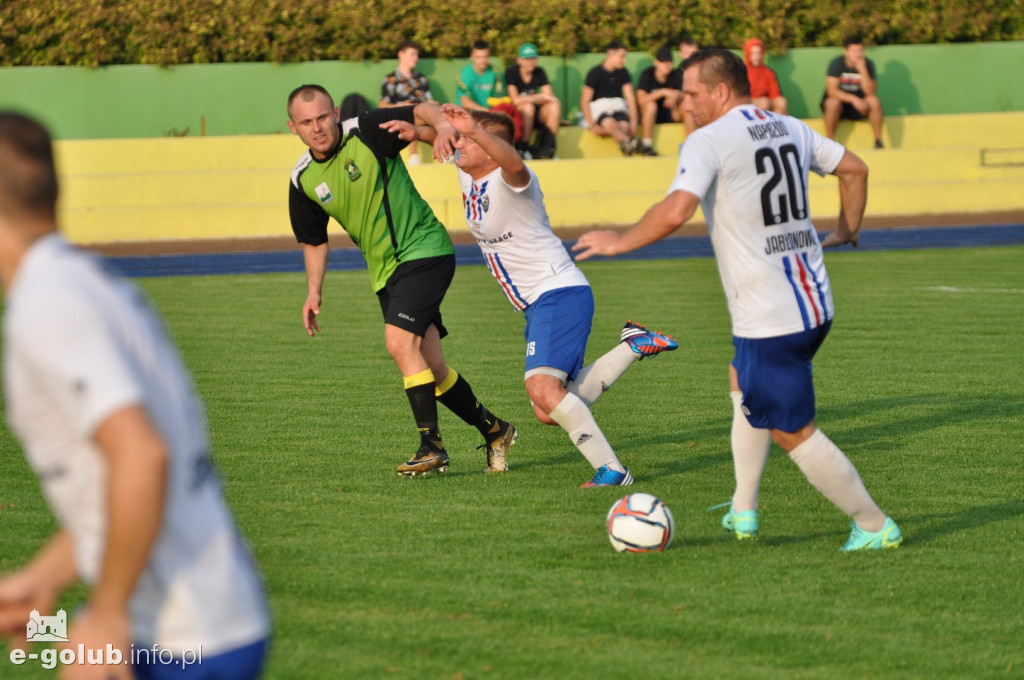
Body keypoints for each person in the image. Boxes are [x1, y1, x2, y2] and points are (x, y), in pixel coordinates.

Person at [573, 48, 903, 551]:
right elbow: (854, 169)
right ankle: (744, 509)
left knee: (792, 431)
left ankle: (875, 525)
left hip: (771, 314)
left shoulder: (708, 140)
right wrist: (848, 230)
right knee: (740, 379)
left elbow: (676, 208)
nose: (684, 105)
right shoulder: (789, 125)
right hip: (812, 301)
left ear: (720, 91)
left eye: (691, 94)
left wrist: (619, 241)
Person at [0, 112, 271, 678]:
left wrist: (106, 614)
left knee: (76, 641)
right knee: (53, 639)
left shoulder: (47, 304)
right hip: (205, 616)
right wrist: (47, 575)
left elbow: (143, 457)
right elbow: (119, 475)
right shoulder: (83, 281)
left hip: (179, 637)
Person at [387, 103, 679, 486]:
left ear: (490, 146)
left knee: (541, 389)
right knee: (547, 407)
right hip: (540, 303)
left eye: (468, 140)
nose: (458, 146)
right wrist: (423, 133)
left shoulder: (511, 180)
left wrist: (474, 129)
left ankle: (612, 470)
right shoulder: (468, 173)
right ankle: (633, 345)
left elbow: (513, 163)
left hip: (558, 291)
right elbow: (436, 131)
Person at [286, 84, 517, 477]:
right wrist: (313, 291)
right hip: (386, 272)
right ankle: (496, 431)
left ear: (336, 112)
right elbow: (314, 239)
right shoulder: (302, 179)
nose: (318, 127)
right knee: (432, 366)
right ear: (294, 128)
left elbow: (425, 109)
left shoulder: (367, 129)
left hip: (425, 249)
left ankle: (432, 447)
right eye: (307, 122)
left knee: (397, 343)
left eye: (324, 117)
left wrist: (443, 127)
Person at [821, 36, 885, 148]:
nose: (857, 54)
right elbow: (831, 91)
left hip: (860, 107)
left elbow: (870, 91)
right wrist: (853, 99)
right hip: (841, 106)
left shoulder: (868, 64)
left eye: (860, 50)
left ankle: (878, 140)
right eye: (854, 51)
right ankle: (830, 142)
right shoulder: (837, 63)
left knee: (874, 101)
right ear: (846, 52)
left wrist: (863, 70)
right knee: (832, 103)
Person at [379, 39, 434, 165]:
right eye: (412, 54)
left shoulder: (421, 79)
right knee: (410, 115)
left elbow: (430, 99)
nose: (416, 58)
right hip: (402, 116)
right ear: (401, 54)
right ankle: (414, 155)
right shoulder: (390, 79)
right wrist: (404, 106)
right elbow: (382, 105)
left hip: (424, 115)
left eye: (417, 55)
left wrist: (434, 105)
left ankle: (445, 152)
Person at [580, 41, 639, 156]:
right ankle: (631, 143)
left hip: (617, 107)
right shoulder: (595, 73)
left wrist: (633, 123)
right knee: (610, 123)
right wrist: (592, 125)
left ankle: (626, 144)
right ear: (611, 55)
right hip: (600, 109)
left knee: (624, 126)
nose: (624, 60)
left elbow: (630, 98)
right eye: (621, 56)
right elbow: (585, 101)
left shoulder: (623, 73)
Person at [504, 42, 561, 159]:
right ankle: (522, 147)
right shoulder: (511, 72)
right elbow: (515, 100)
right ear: (519, 60)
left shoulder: (539, 72)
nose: (530, 62)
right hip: (519, 116)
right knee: (528, 106)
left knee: (554, 106)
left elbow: (550, 97)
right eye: (527, 59)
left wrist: (530, 98)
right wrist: (537, 97)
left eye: (533, 58)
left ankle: (547, 149)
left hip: (536, 115)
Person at [635, 46, 684, 156]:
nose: (666, 65)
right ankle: (646, 145)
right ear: (656, 62)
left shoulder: (677, 74)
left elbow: (685, 93)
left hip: (670, 112)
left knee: (686, 105)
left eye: (669, 62)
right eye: (663, 62)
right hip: (650, 115)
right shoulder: (647, 74)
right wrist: (662, 92)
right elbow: (641, 100)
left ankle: (692, 142)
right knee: (651, 105)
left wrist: (676, 96)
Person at [743, 37, 788, 114]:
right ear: (747, 54)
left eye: (758, 53)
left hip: (766, 102)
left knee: (782, 101)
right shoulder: (742, 71)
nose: (756, 56)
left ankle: (775, 124)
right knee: (764, 102)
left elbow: (775, 94)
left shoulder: (768, 72)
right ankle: (757, 125)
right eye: (752, 53)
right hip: (747, 102)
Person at [677, 36, 700, 134]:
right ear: (681, 54)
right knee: (688, 106)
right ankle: (692, 142)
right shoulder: (676, 74)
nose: (690, 56)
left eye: (693, 53)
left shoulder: (705, 73)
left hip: (700, 106)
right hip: (680, 110)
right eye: (687, 53)